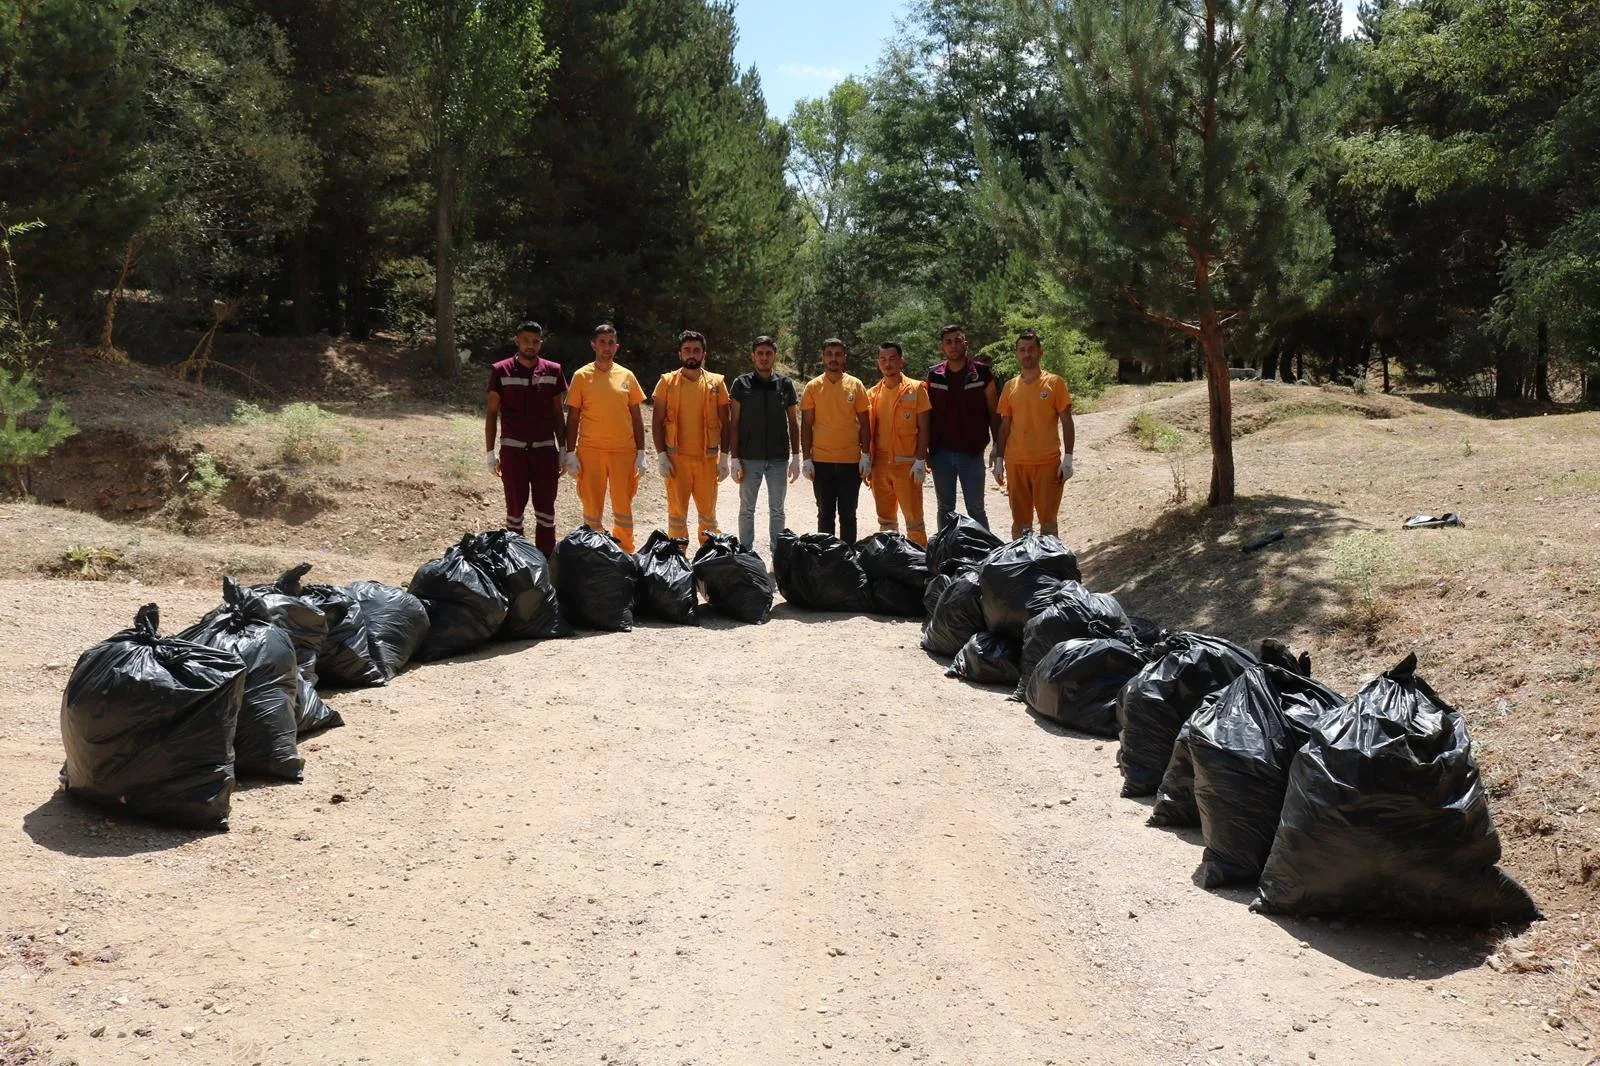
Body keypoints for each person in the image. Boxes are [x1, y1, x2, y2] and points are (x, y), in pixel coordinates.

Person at [484, 321, 568, 556]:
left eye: (535, 341)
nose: (530, 345)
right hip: (513, 452)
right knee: (514, 513)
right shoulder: (500, 370)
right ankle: (518, 563)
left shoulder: (553, 370)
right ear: (517, 341)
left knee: (546, 512)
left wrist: (564, 449)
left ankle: (546, 562)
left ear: (541, 343)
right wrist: (490, 453)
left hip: (545, 451)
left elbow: (558, 414)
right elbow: (491, 413)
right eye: (525, 340)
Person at [563, 323, 648, 552]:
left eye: (611, 342)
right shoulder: (581, 376)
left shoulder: (627, 376)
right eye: (602, 342)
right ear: (593, 345)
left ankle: (626, 551)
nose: (607, 347)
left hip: (623, 452)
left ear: (616, 346)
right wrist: (570, 453)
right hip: (590, 451)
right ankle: (594, 552)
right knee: (592, 506)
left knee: (623, 506)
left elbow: (636, 417)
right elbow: (573, 417)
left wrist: (641, 452)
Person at [992, 329, 1076, 538]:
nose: (1027, 354)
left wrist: (1068, 458)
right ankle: (1022, 558)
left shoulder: (1055, 383)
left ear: (1040, 352)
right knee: (1021, 525)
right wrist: (1000, 459)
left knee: (1048, 524)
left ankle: (1050, 558)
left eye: (1031, 349)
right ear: (1017, 354)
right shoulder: (1010, 386)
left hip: (1047, 463)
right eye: (1022, 350)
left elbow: (1067, 421)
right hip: (1016, 463)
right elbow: (1004, 425)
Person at [651, 330, 731, 545]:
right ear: (680, 354)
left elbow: (726, 423)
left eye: (696, 350)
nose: (692, 354)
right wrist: (661, 456)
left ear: (704, 354)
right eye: (687, 350)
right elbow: (657, 422)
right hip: (677, 461)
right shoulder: (666, 383)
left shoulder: (717, 383)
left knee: (708, 515)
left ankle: (708, 557)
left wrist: (724, 458)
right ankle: (677, 557)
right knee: (677, 515)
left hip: (707, 461)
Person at [728, 335, 801, 551]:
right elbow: (734, 423)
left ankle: (778, 552)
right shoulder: (741, 384)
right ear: (753, 356)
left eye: (768, 353)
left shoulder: (785, 384)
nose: (764, 357)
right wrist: (734, 457)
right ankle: (745, 551)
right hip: (749, 458)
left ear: (774, 356)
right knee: (746, 509)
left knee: (777, 509)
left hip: (778, 458)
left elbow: (793, 423)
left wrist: (796, 457)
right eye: (759, 353)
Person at [925, 323, 999, 532]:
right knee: (945, 509)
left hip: (972, 452)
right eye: (948, 342)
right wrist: (924, 450)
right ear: (942, 347)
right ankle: (946, 550)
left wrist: (998, 445)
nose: (954, 345)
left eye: (958, 340)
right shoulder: (934, 375)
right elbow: (926, 415)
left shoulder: (982, 373)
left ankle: (984, 549)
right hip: (941, 453)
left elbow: (994, 411)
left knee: (976, 509)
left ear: (966, 343)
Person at [799, 338, 872, 544]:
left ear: (844, 358)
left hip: (851, 461)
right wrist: (806, 458)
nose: (834, 358)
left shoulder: (855, 385)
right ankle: (827, 555)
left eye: (838, 354)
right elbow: (807, 425)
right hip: (821, 461)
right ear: (823, 357)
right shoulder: (813, 387)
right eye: (829, 354)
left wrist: (866, 455)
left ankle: (848, 555)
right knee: (825, 513)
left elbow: (864, 423)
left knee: (848, 514)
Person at [866, 341, 932, 545]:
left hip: (907, 465)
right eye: (883, 359)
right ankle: (891, 557)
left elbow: (924, 427)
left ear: (901, 360)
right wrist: (866, 458)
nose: (888, 364)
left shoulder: (916, 388)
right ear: (878, 363)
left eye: (892, 359)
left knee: (914, 521)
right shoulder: (872, 394)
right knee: (886, 521)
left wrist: (920, 460)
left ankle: (919, 558)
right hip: (880, 465)